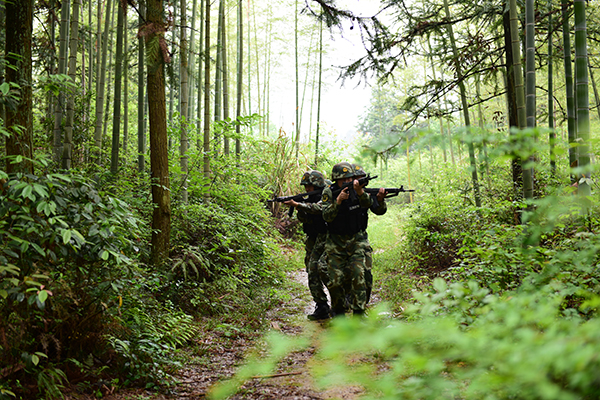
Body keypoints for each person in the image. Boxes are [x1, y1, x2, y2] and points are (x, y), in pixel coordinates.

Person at [321, 161, 373, 316]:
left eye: (349, 178)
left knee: (359, 274)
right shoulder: (329, 192)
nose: (347, 182)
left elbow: (369, 204)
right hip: (335, 243)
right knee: (335, 280)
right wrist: (338, 202)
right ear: (336, 179)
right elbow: (326, 216)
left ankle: (359, 311)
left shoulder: (357, 190)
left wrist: (360, 192)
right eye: (343, 179)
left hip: (356, 241)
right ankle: (338, 310)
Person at [284, 170, 331, 320]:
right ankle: (321, 305)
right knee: (311, 270)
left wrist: (299, 204)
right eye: (305, 186)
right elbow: (304, 219)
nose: (307, 189)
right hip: (313, 237)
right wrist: (299, 207)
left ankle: (341, 299)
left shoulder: (327, 193)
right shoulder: (307, 197)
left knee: (325, 269)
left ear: (316, 184)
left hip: (328, 236)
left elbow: (320, 209)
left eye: (309, 186)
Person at [352, 164, 387, 305]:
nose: (360, 182)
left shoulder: (366, 194)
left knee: (365, 271)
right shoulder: (339, 192)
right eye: (357, 179)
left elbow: (379, 211)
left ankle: (362, 304)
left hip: (360, 237)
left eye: (362, 179)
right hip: (339, 239)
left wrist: (379, 199)